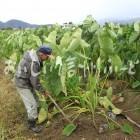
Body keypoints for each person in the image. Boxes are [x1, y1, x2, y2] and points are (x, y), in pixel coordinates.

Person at [14, 45, 52, 133]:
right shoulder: (34, 63)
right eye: (47, 56)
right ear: (41, 54)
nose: (47, 58)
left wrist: (42, 89)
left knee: (36, 101)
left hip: (26, 81)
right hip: (22, 84)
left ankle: (35, 116)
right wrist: (43, 91)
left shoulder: (33, 55)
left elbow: (33, 78)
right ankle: (32, 125)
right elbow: (35, 82)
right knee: (32, 105)